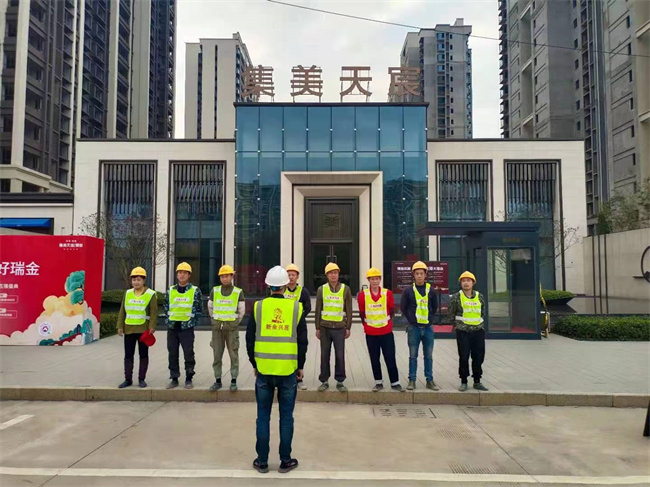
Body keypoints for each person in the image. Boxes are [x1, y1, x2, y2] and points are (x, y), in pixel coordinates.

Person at [246, 266, 308, 474]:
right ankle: (285, 460)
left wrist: (255, 364)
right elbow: (302, 341)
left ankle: (262, 461)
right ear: (285, 285)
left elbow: (249, 339)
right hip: (288, 371)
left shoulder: (258, 307)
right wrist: (300, 366)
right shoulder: (296, 308)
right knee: (286, 417)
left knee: (263, 416)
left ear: (268, 285)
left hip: (264, 371)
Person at [358, 268, 403, 392]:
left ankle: (395, 382)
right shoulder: (363, 295)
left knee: (390, 357)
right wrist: (367, 326)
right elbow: (362, 313)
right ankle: (378, 382)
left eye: (377, 279)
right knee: (374, 358)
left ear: (380, 280)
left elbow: (391, 310)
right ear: (368, 280)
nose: (375, 281)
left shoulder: (387, 293)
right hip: (371, 333)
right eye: (372, 279)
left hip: (386, 332)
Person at [399, 261, 439, 391]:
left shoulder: (431, 290)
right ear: (414, 275)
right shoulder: (408, 291)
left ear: (425, 274)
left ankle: (429, 380)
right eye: (417, 273)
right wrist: (411, 319)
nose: (419, 276)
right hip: (414, 328)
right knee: (413, 355)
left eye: (422, 273)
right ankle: (412, 380)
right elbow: (403, 307)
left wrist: (430, 319)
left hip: (428, 328)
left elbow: (434, 307)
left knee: (428, 356)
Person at [314, 262, 352, 392]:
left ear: (338, 274)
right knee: (324, 355)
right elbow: (318, 309)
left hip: (340, 328)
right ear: (327, 275)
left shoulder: (345, 289)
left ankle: (340, 381)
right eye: (330, 273)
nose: (333, 275)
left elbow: (348, 309)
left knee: (340, 355)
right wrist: (317, 327)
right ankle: (324, 380)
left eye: (335, 272)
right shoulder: (321, 289)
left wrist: (348, 327)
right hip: (325, 327)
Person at [117, 267, 157, 388]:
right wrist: (120, 326)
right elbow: (122, 311)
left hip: (143, 330)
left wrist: (152, 327)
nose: (136, 282)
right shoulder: (128, 293)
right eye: (134, 279)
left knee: (143, 355)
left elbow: (153, 312)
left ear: (144, 280)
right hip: (129, 329)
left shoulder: (150, 294)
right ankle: (128, 379)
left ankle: (141, 379)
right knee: (128, 355)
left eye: (139, 279)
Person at [447, 271, 488, 391]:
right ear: (460, 283)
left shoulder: (480, 296)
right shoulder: (456, 297)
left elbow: (483, 312)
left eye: (468, 280)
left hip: (478, 331)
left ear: (473, 283)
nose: (466, 283)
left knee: (478, 357)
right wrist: (457, 326)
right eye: (463, 281)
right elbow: (450, 314)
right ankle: (464, 381)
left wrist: (479, 325)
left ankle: (477, 381)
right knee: (464, 357)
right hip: (463, 332)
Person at [165, 262, 202, 390]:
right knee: (172, 353)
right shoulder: (170, 290)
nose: (182, 275)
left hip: (187, 328)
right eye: (180, 272)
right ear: (177, 275)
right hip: (172, 327)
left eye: (185, 273)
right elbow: (166, 306)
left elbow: (199, 308)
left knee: (188, 353)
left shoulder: (195, 291)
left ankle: (188, 378)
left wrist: (192, 322)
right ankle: (174, 378)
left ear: (189, 275)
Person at [208, 265, 245, 392]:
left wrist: (234, 323)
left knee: (233, 355)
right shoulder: (215, 291)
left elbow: (241, 311)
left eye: (227, 276)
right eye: (222, 276)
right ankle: (217, 380)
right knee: (217, 355)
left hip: (231, 329)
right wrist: (215, 321)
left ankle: (233, 380)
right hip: (217, 329)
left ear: (232, 276)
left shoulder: (238, 292)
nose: (224, 278)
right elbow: (210, 308)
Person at [284, 264, 311, 390]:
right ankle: (286, 377)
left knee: (301, 349)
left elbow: (308, 307)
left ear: (297, 276)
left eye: (293, 275)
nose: (291, 277)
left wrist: (299, 317)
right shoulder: (282, 290)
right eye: (289, 275)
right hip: (284, 326)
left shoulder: (303, 291)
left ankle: (299, 378)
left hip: (299, 326)